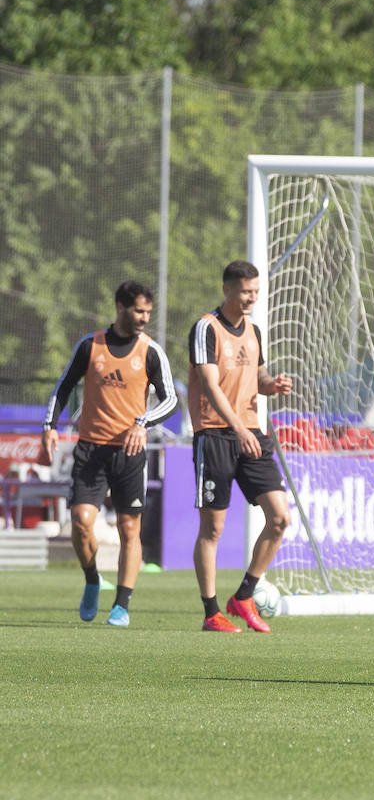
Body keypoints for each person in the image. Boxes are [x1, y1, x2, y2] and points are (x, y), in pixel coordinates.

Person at [40, 280, 178, 627]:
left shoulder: (151, 351)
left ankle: (122, 605)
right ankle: (92, 579)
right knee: (81, 521)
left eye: (148, 311)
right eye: (139, 311)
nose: (144, 318)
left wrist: (142, 423)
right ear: (120, 307)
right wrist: (50, 425)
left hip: (129, 453)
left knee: (130, 529)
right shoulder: (90, 345)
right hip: (91, 450)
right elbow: (63, 386)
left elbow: (171, 400)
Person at [189, 260, 294, 633]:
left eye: (256, 291)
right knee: (213, 529)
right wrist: (237, 428)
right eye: (246, 291)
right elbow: (210, 384)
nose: (252, 298)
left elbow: (258, 376)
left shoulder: (254, 330)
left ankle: (245, 594)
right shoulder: (206, 328)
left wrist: (272, 385)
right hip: (216, 434)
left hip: (251, 433)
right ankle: (211, 612)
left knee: (280, 517)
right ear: (228, 289)